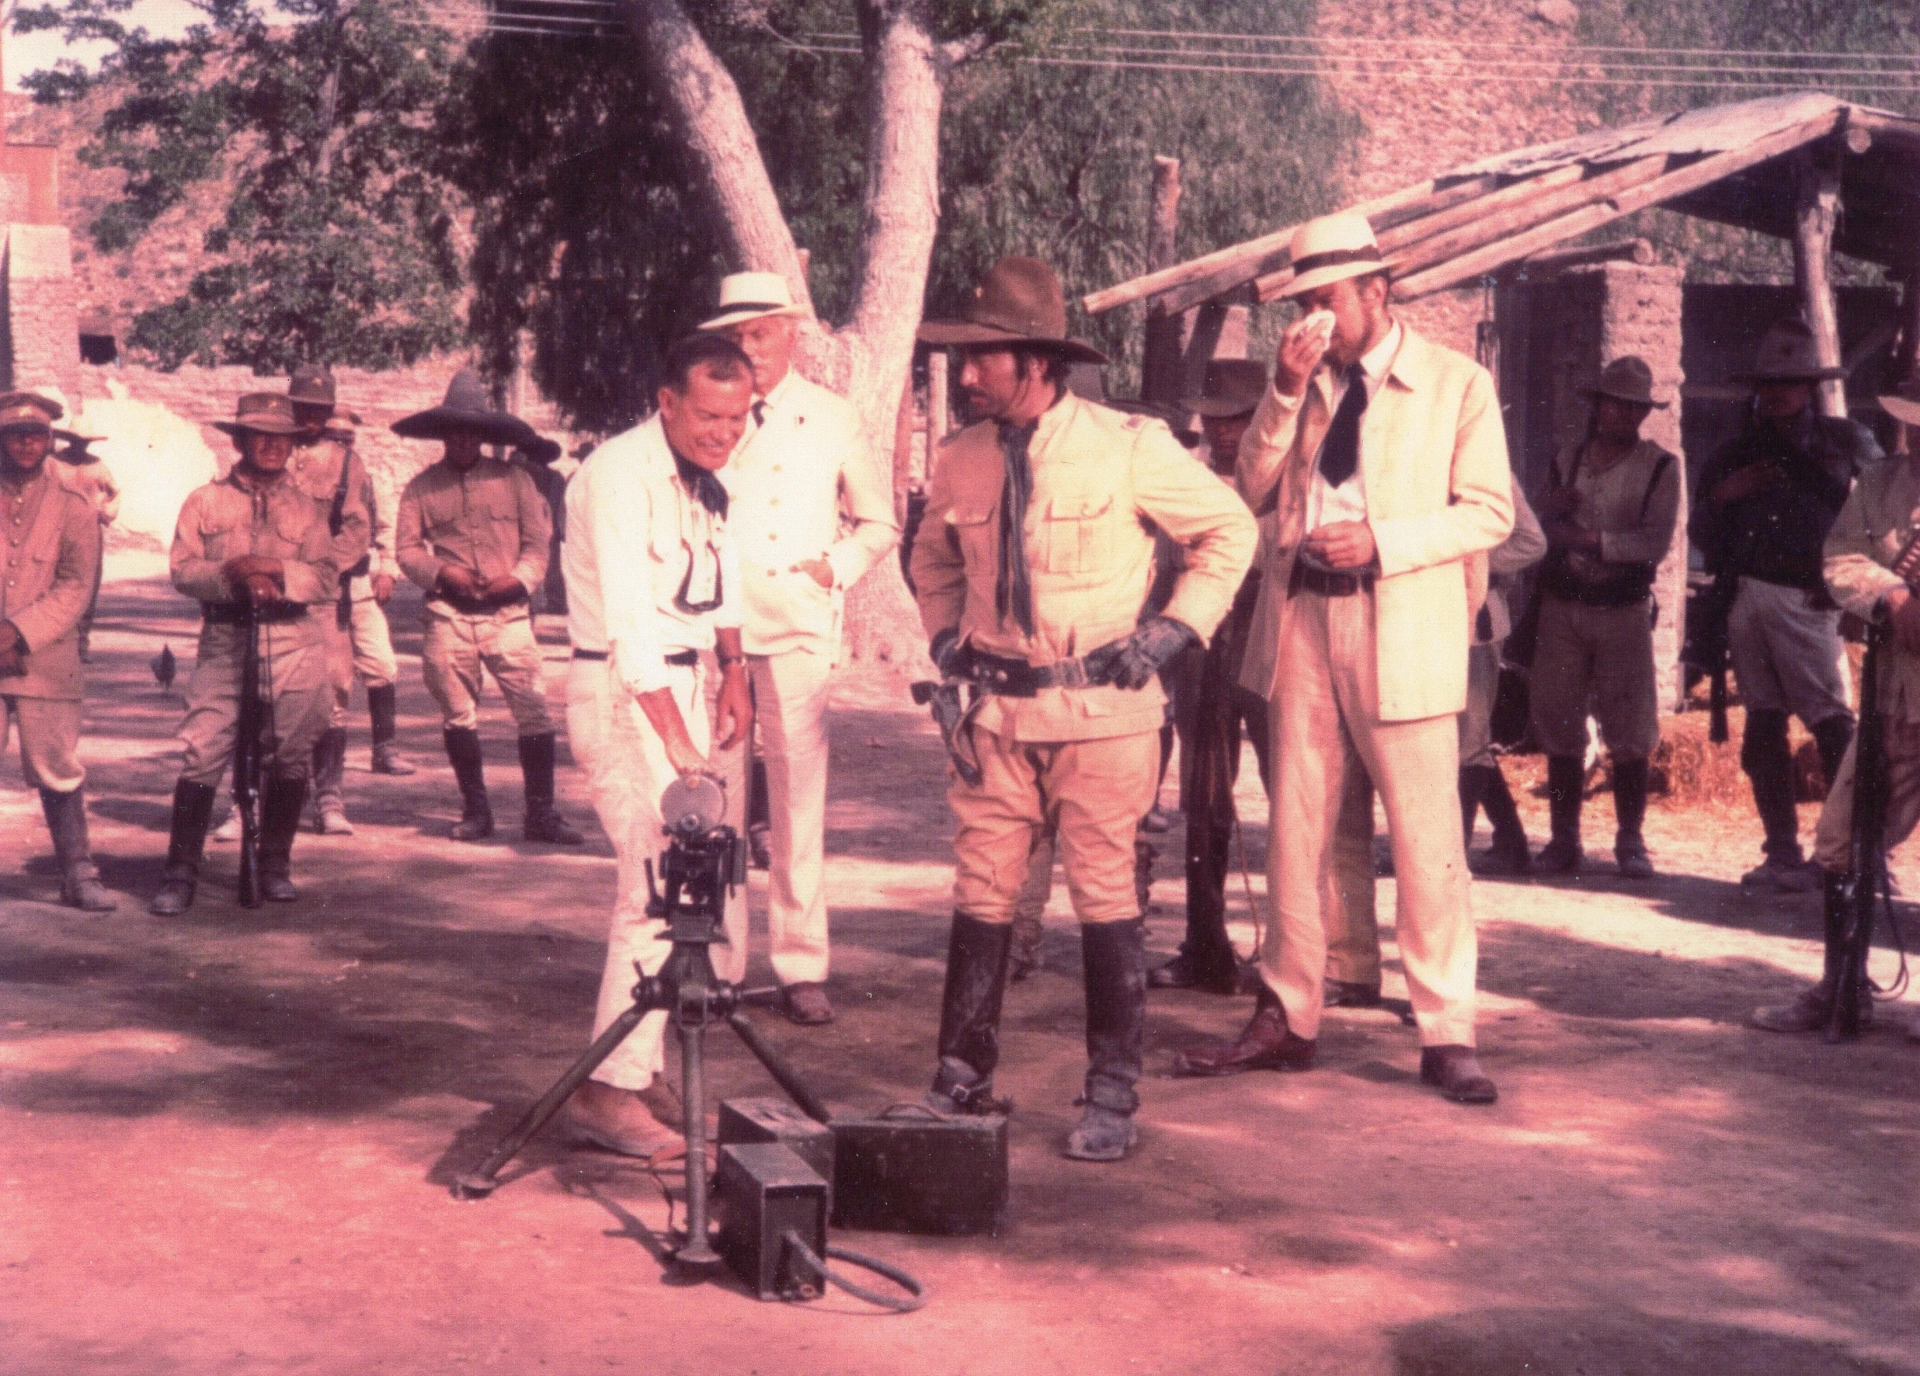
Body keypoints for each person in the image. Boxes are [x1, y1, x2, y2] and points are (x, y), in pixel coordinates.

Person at [911, 256, 1256, 1162]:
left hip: (1105, 715)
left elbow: (1230, 532)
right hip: (993, 718)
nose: (968, 373)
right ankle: (961, 1074)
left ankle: (1111, 1093)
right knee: (982, 893)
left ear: (1038, 360)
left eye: (984, 357)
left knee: (1105, 900)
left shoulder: (1129, 447)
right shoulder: (961, 459)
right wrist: (946, 640)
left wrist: (1177, 630)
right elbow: (934, 565)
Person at [1174, 211, 1513, 1104]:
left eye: (1326, 301)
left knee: (1427, 836)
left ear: (1377, 291)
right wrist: (1282, 395)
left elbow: (1490, 514)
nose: (1314, 322)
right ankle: (1288, 1012)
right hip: (1302, 625)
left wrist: (1386, 541)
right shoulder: (1304, 385)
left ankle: (1447, 1031)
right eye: (1303, 306)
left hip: (1402, 623)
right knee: (1298, 826)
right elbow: (1245, 489)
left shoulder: (1455, 385)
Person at [560, 333, 755, 1157]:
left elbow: (722, 576)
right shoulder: (616, 475)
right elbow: (632, 627)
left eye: (739, 418)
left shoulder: (704, 479)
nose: (724, 432)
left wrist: (735, 669)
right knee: (652, 887)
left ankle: (640, 1069)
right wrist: (675, 739)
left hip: (683, 685)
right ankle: (606, 1093)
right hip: (622, 688)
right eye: (708, 416)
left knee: (691, 892)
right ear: (667, 402)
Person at [696, 271, 901, 1025]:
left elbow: (879, 523)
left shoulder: (832, 416)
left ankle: (801, 964)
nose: (750, 349)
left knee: (795, 801)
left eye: (762, 332)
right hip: (714, 629)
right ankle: (715, 963)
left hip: (799, 620)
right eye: (737, 336)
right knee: (715, 797)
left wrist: (834, 569)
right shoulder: (707, 408)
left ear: (792, 331)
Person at [1752, 373, 1920, 1042]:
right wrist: (1891, 595)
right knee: (1843, 839)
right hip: (1896, 702)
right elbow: (1842, 556)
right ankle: (1843, 991)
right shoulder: (1883, 484)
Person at [1692, 318, 1878, 893]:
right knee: (1763, 728)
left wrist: (1858, 584)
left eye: (1791, 381)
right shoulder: (1733, 453)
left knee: (1834, 727)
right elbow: (1700, 527)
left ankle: (1856, 853)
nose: (1778, 392)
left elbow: (1886, 504)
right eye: (1770, 382)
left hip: (1810, 597)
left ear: (1810, 386)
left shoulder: (1845, 442)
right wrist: (1727, 496)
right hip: (1746, 595)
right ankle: (1782, 853)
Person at [151, 393, 336, 915]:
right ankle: (180, 870)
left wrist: (278, 572)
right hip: (226, 637)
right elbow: (183, 569)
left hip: (292, 639)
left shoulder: (308, 508)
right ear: (239, 441)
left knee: (290, 749)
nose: (273, 445)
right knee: (203, 746)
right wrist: (231, 574)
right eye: (260, 434)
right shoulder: (205, 502)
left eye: (282, 437)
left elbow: (325, 578)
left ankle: (274, 863)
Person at [393, 371, 582, 847]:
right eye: (454, 430)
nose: (463, 439)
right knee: (459, 716)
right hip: (448, 617)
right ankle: (475, 810)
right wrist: (442, 573)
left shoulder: (516, 480)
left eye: (472, 430)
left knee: (535, 713)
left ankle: (541, 813)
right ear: (443, 434)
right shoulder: (420, 488)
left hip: (508, 616)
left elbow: (538, 546)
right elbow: (407, 550)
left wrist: (515, 580)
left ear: (483, 435)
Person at [1147, 360, 1273, 994]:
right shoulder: (1186, 482)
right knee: (1204, 801)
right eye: (1214, 421)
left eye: (1239, 422)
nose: (1225, 434)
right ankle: (1204, 943)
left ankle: (1298, 956)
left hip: (1277, 646)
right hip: (1205, 650)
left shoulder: (1291, 481)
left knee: (1296, 796)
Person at [1528, 356, 1680, 879]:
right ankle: (1564, 840)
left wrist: (1587, 539)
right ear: (1596, 405)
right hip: (1563, 606)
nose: (1617, 413)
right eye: (1609, 402)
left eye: (1629, 406)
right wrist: (1550, 508)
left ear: (1643, 413)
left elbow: (1653, 544)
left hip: (1623, 610)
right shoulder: (1566, 458)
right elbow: (1530, 525)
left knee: (1631, 726)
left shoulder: (1660, 467)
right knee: (1559, 718)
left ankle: (1630, 841)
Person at [0, 391, 114, 911]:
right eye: (15, 434)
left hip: (45, 657)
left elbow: (75, 586)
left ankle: (77, 872)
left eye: (36, 434)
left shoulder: (75, 502)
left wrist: (18, 632)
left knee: (56, 765)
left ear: (51, 440)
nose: (26, 443)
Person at [285, 363, 407, 840]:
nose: (311, 418)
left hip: (331, 589)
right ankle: (247, 802)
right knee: (263, 695)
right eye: (303, 408)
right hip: (275, 590)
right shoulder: (272, 449)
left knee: (337, 688)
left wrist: (329, 571)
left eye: (320, 410)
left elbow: (361, 528)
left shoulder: (348, 466)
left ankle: (330, 797)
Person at [1460, 471, 1546, 875]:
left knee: (1470, 741)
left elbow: (1531, 541)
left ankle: (1451, 852)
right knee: (1457, 738)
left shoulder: (1492, 466)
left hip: (1475, 621)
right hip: (1419, 616)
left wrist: (1468, 556)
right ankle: (1511, 840)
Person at [51, 426, 118, 665]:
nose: (81, 446)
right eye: (76, 441)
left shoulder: (97, 465)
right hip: (56, 529)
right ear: (68, 440)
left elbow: (115, 492)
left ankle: (82, 643)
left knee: (88, 583)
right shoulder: (54, 462)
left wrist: (105, 512)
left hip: (89, 529)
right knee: (55, 581)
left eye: (85, 442)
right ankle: (55, 640)